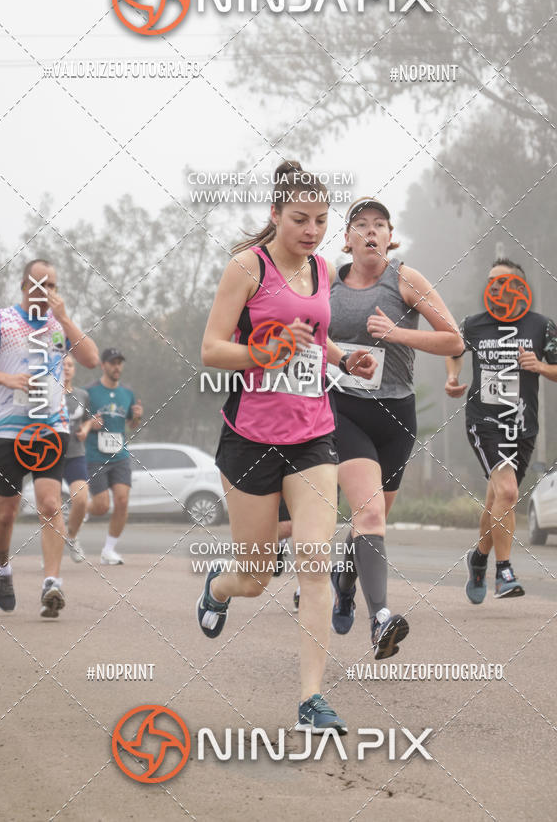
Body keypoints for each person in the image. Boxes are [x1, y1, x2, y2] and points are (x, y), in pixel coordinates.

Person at [197, 161, 376, 735]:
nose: (312, 230)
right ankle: (219, 586)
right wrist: (263, 353)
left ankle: (311, 699)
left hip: (312, 434)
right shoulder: (247, 268)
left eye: (321, 220)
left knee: (314, 560)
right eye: (300, 219)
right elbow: (211, 349)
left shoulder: (321, 269)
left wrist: (344, 359)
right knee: (253, 578)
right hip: (250, 437)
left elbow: (315, 339)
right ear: (274, 214)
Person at [322, 197, 463, 658]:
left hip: (397, 416)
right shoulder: (328, 282)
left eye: (379, 224)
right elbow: (307, 334)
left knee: (371, 522)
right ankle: (380, 618)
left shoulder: (405, 279)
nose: (370, 231)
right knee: (369, 516)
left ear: (389, 237)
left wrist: (397, 333)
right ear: (347, 239)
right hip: (343, 410)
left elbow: (453, 340)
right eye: (360, 224)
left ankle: (344, 583)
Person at [0, 258, 99, 617]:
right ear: (25, 287)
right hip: (7, 431)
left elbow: (91, 358)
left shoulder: (60, 325)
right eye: (40, 285)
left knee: (49, 504)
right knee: (6, 513)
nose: (47, 292)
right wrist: (6, 379)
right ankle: (2, 568)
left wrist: (67, 319)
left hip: (50, 429)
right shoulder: (2, 321)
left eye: (53, 285)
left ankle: (51, 584)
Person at [445, 258, 557, 600]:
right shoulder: (474, 324)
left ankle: (478, 559)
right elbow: (453, 348)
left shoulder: (541, 326)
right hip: (484, 421)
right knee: (510, 493)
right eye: (490, 281)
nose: (494, 287)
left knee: (499, 499)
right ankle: (504, 572)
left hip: (522, 426)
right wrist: (453, 376)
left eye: (501, 281)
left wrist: (539, 366)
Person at [85, 348, 143, 565]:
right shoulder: (88, 392)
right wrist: (90, 424)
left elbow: (132, 424)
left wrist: (137, 417)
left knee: (122, 500)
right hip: (95, 455)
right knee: (101, 506)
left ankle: (108, 551)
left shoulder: (127, 393)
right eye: (112, 363)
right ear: (103, 365)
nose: (117, 367)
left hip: (120, 454)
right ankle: (80, 509)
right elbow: (76, 421)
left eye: (119, 363)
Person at [61, 355, 94, 563]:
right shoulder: (45, 394)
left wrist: (86, 429)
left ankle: (71, 537)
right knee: (51, 507)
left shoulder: (82, 395)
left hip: (75, 455)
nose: (66, 368)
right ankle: (51, 551)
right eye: (62, 364)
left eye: (70, 365)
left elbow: (89, 420)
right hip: (50, 457)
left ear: (74, 370)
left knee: (81, 500)